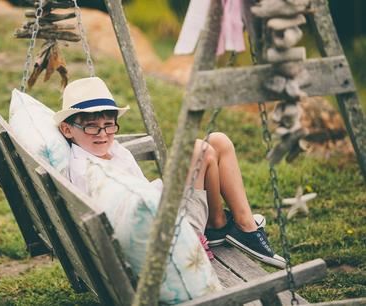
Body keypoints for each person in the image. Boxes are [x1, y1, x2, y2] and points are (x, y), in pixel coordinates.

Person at [54, 77, 286, 269]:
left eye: (108, 125)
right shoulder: (89, 172)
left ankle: (233, 224)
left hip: (161, 213)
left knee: (218, 141)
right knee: (199, 150)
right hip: (166, 236)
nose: (103, 134)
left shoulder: (106, 151)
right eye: (91, 126)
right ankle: (229, 226)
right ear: (67, 129)